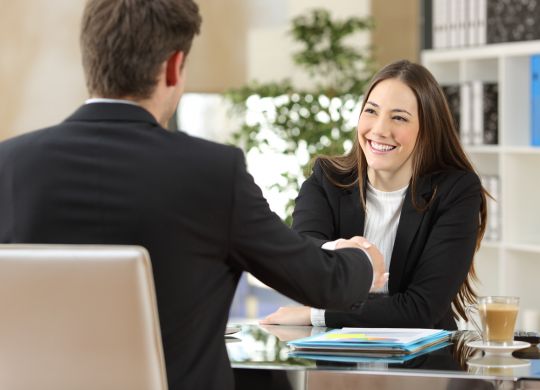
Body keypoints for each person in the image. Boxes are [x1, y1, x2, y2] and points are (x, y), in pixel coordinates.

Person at [0, 1, 388, 389]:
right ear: (173, 67)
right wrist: (363, 260)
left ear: (89, 59)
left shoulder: (10, 165)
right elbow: (319, 282)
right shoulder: (212, 173)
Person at [261, 59, 487, 331]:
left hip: (424, 362)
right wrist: (335, 250)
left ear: (427, 130)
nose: (379, 129)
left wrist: (315, 315)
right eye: (371, 111)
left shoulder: (456, 190)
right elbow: (302, 258)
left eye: (399, 117)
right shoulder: (327, 178)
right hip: (338, 358)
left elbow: (421, 309)